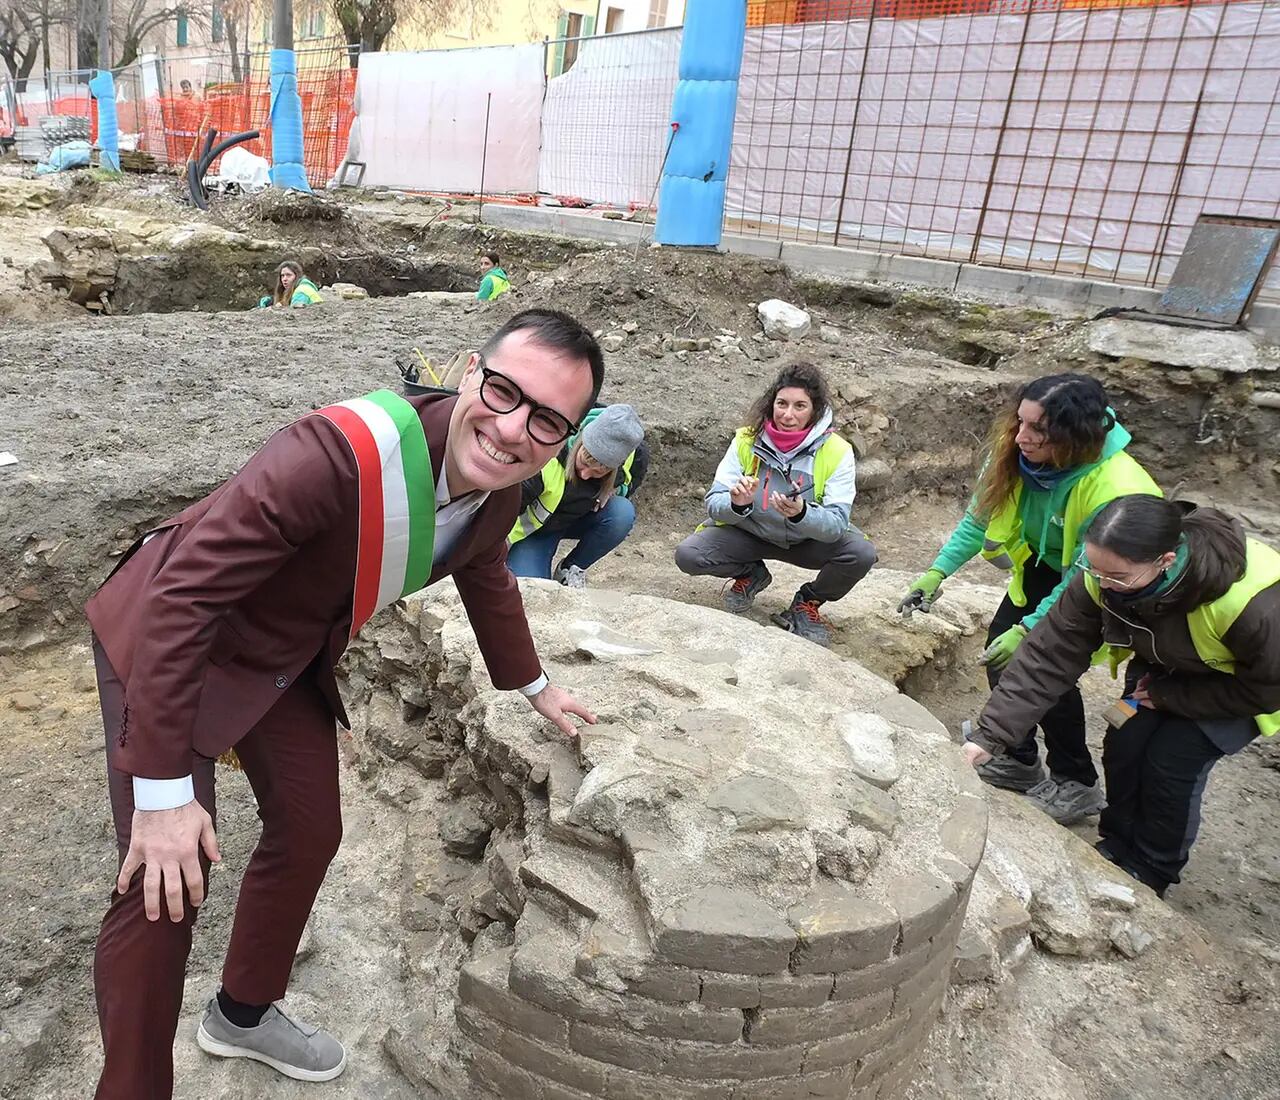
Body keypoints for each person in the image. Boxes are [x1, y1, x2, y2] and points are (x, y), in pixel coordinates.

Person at [85, 309, 603, 1099]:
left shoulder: (505, 485)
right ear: (472, 370)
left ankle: (243, 1013)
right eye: (503, 392)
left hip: (277, 657)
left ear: (563, 438)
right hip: (169, 636)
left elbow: (485, 566)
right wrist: (162, 797)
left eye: (545, 420)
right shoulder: (334, 454)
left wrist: (533, 684)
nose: (510, 429)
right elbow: (180, 602)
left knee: (310, 827)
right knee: (163, 882)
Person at [963, 496, 1280, 897]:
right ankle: (1115, 846)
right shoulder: (1104, 574)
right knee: (1124, 741)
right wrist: (989, 737)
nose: (1102, 582)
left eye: (1117, 577)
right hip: (1164, 672)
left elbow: (1269, 685)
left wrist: (1168, 696)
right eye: (1092, 568)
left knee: (1170, 761)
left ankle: (1151, 870)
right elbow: (1050, 654)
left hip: (1237, 689)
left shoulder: (1252, 601)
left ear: (1165, 560)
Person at [897, 373, 1160, 825]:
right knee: (1001, 652)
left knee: (1046, 670)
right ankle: (1018, 759)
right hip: (1044, 567)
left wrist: (1031, 629)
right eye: (1020, 421)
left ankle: (1076, 781)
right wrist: (936, 573)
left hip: (1104, 580)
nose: (1021, 436)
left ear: (1075, 435)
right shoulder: (1016, 453)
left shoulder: (1116, 487)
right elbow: (978, 521)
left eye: (1038, 429)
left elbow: (1086, 573)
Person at [674, 361, 875, 647]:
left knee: (860, 553)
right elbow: (713, 503)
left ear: (815, 410)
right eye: (782, 403)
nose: (788, 415)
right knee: (689, 555)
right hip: (750, 532)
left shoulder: (837, 451)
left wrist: (802, 513)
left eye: (799, 406)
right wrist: (736, 503)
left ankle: (808, 601)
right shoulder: (745, 440)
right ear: (771, 403)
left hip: (807, 540)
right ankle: (750, 573)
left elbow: (836, 524)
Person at [507, 403, 647, 588]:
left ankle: (570, 568)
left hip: (577, 519)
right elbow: (504, 512)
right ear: (580, 441)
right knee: (532, 588)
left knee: (622, 512)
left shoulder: (631, 450)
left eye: (599, 472)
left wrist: (615, 488)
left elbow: (629, 478)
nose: (585, 474)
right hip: (536, 533)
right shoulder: (546, 461)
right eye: (584, 461)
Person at [258, 260, 322, 309]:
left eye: (288, 275)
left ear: (297, 276)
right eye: (282, 276)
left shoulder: (301, 292)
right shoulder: (298, 288)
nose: (284, 279)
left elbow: (295, 314)